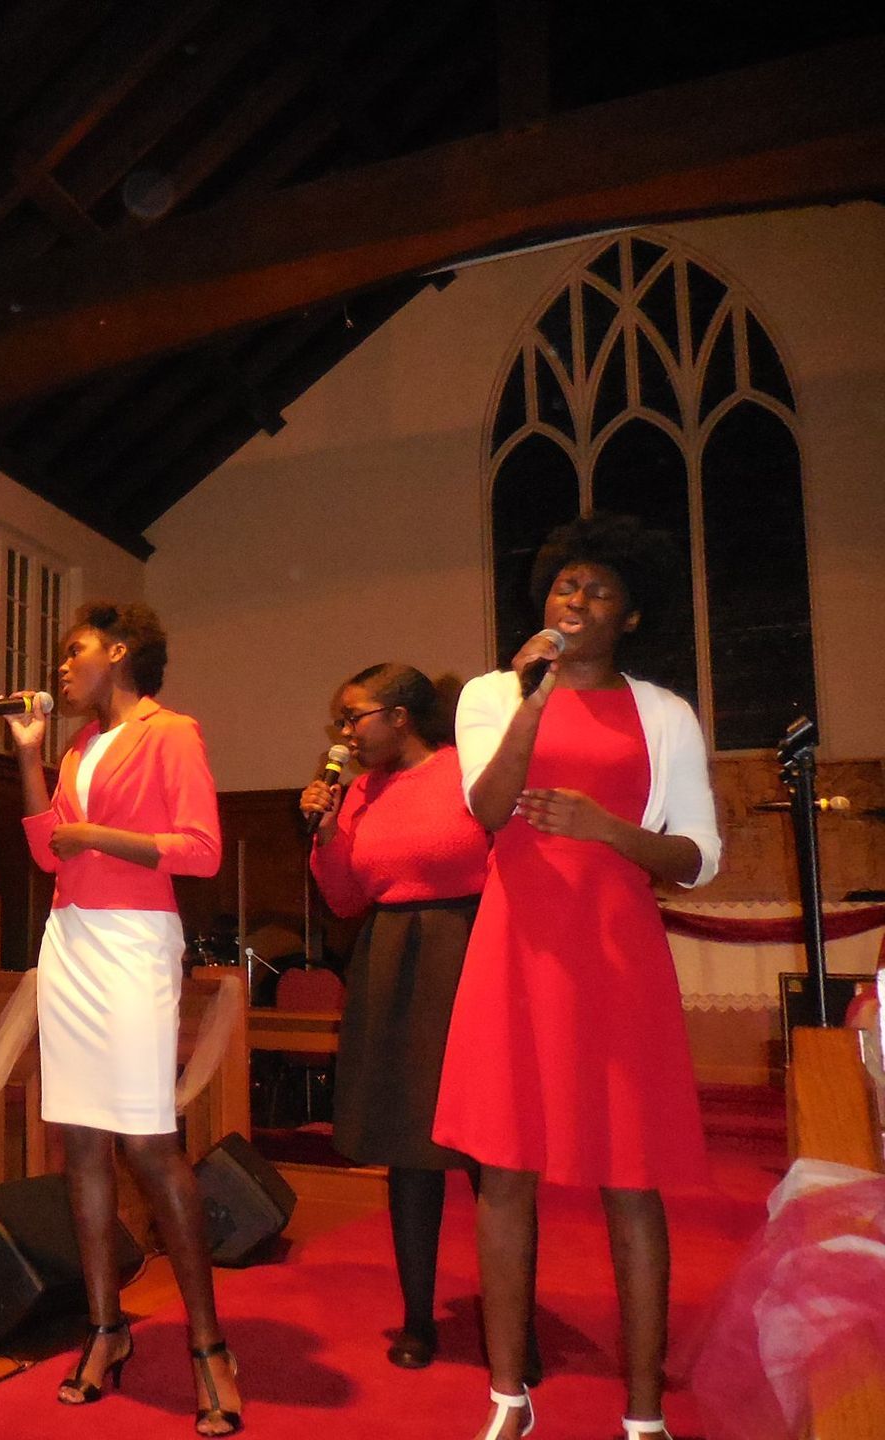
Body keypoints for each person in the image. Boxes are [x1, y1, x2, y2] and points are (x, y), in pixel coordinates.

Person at [433, 515, 721, 1440]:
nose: (577, 600)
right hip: (517, 945)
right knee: (505, 1174)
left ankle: (644, 1411)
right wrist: (533, 697)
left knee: (629, 1177)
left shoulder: (664, 713)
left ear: (630, 616)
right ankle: (507, 1397)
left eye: (599, 591)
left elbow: (699, 857)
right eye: (566, 584)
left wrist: (610, 831)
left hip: (615, 952)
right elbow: (487, 807)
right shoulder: (492, 694)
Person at [5, 601, 238, 1436]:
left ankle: (210, 1345)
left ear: (122, 650)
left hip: (136, 941)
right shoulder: (75, 748)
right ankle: (106, 1329)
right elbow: (48, 851)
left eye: (77, 651)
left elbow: (201, 850)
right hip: (70, 939)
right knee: (82, 1144)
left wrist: (100, 835)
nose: (63, 667)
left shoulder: (171, 733)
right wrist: (29, 758)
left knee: (147, 1143)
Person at [300, 663, 491, 1371]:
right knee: (411, 1146)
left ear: (402, 717)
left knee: (489, 1151)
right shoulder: (357, 794)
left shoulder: (467, 769)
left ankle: (513, 1324)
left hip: (469, 950)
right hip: (389, 957)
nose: (345, 732)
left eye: (355, 716)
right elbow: (345, 900)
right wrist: (325, 833)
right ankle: (418, 1319)